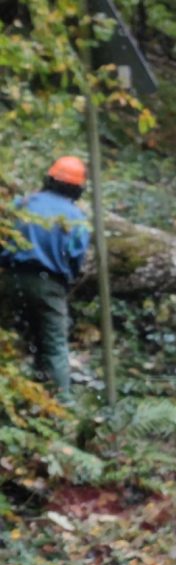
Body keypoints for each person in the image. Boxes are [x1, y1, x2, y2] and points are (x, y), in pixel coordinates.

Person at [0, 156, 91, 401]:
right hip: (49, 285)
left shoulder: (22, 203)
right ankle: (62, 405)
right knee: (54, 346)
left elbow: (4, 237)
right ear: (78, 188)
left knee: (9, 337)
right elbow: (75, 257)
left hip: (11, 279)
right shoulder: (77, 219)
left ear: (49, 179)